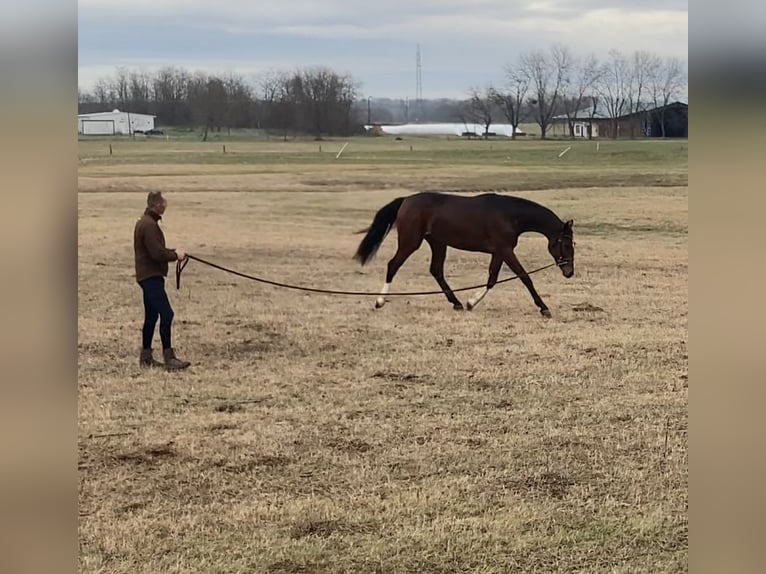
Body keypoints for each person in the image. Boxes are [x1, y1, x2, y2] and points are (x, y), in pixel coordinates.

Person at [133, 191, 191, 371]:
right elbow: (156, 253)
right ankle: (169, 357)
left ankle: (146, 356)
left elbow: (156, 249)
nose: (165, 206)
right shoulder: (149, 226)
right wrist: (175, 255)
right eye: (163, 203)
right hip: (150, 277)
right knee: (167, 314)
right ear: (156, 205)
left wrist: (174, 252)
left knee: (151, 316)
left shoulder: (145, 222)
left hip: (147, 276)